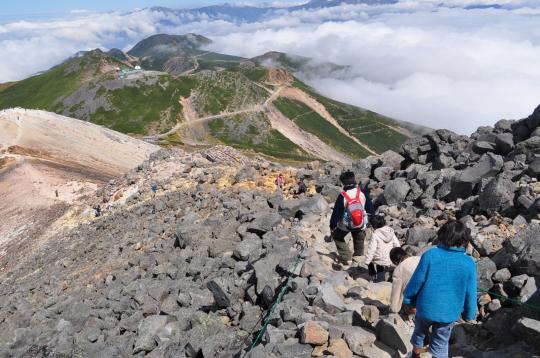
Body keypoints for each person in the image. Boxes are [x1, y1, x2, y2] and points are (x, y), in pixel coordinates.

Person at [403, 220, 477, 358]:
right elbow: (470, 293)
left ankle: (415, 355)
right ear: (464, 240)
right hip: (449, 313)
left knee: (419, 333)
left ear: (442, 235)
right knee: (441, 342)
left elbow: (417, 282)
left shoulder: (430, 255)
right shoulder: (468, 263)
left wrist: (408, 299)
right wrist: (469, 314)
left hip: (425, 308)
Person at [329, 171, 375, 267]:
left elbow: (336, 213)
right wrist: (370, 220)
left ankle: (347, 257)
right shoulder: (362, 192)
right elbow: (370, 208)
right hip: (361, 223)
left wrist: (332, 225)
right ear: (354, 180)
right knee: (359, 241)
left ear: (343, 183)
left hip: (345, 225)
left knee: (337, 237)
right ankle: (357, 261)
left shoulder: (343, 196)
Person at [364, 215, 400, 282]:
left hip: (380, 258)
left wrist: (367, 261)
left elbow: (371, 249)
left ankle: (378, 280)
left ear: (374, 225)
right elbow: (397, 244)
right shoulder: (390, 232)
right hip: (390, 257)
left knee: (374, 264)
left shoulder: (375, 235)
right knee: (381, 263)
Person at [389, 247, 421, 314]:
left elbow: (396, 295)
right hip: (438, 294)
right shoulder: (419, 258)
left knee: (405, 300)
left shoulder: (398, 270)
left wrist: (393, 310)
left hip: (421, 302)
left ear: (395, 262)